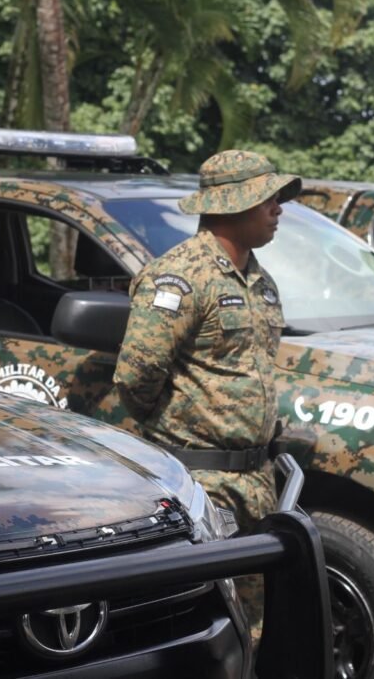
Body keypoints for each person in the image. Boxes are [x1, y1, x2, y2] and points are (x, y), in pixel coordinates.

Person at [113, 149, 301, 640]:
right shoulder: (179, 275)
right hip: (201, 481)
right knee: (202, 623)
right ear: (236, 203)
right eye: (269, 198)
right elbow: (136, 375)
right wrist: (177, 434)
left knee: (253, 626)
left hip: (256, 483)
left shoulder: (261, 282)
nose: (278, 208)